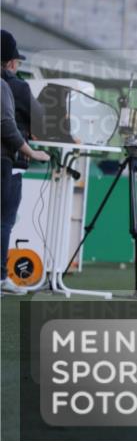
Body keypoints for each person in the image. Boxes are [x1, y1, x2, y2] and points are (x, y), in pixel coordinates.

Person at [2, 78, 49, 294]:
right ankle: (1, 277)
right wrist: (30, 151)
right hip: (7, 161)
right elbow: (7, 125)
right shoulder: (14, 85)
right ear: (12, 62)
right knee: (4, 221)